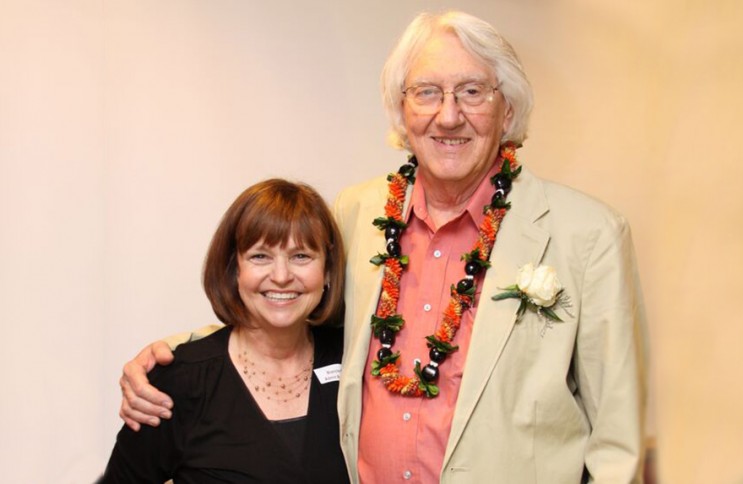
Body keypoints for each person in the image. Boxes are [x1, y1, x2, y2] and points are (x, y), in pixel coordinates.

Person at [118, 10, 648, 483]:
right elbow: (297, 304)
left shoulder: (587, 234)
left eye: (471, 91)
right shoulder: (358, 212)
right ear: (402, 110)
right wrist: (177, 354)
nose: (447, 115)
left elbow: (616, 441)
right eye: (427, 92)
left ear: (506, 111)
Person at [102, 179, 349, 483]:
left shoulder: (354, 363)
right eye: (260, 256)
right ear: (234, 269)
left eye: (301, 256)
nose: (282, 276)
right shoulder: (179, 382)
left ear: (327, 270)